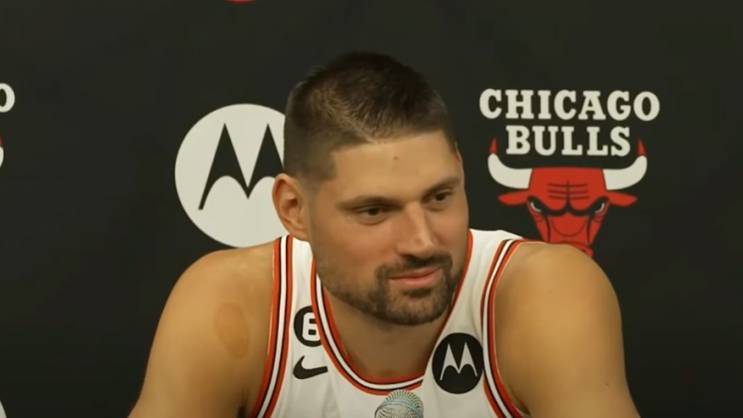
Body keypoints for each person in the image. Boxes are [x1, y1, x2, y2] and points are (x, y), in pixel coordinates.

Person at [130, 52, 639, 418]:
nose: (422, 242)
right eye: (374, 211)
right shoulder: (234, 303)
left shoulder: (542, 292)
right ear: (293, 209)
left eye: (439, 197)